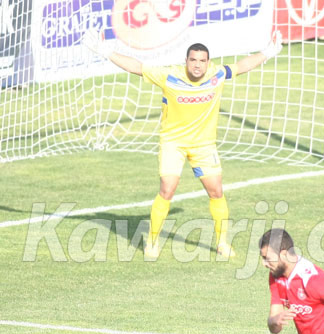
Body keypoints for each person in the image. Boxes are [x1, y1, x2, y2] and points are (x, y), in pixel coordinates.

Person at [83, 29, 284, 259]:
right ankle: (151, 241)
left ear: (208, 63)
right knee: (167, 190)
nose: (197, 65)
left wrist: (268, 52)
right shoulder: (169, 77)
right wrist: (106, 50)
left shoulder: (217, 74)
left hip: (204, 146)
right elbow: (137, 67)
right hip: (173, 143)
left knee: (216, 191)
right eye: (193, 60)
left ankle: (222, 243)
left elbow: (243, 65)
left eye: (202, 61)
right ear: (186, 61)